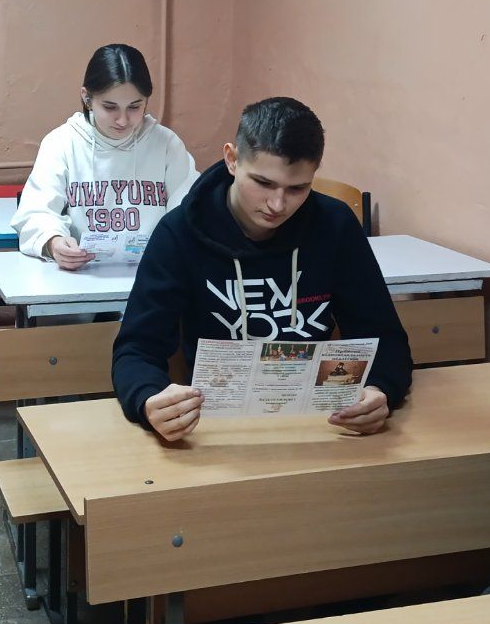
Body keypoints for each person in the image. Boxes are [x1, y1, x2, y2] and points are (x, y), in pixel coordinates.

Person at [112, 96, 412, 440]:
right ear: (232, 159)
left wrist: (379, 389)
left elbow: (385, 338)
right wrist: (149, 399)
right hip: (214, 427)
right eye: (263, 183)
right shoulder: (179, 233)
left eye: (297, 188)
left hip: (321, 424)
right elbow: (136, 349)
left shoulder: (336, 226)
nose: (277, 204)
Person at [10, 43, 196, 270]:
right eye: (110, 107)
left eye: (135, 107)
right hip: (79, 276)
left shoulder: (166, 145)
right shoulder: (62, 143)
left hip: (153, 274)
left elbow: (190, 211)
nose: (123, 120)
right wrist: (53, 242)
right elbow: (36, 211)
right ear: (87, 98)